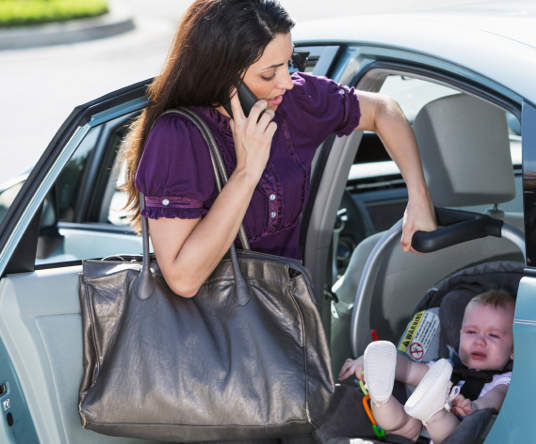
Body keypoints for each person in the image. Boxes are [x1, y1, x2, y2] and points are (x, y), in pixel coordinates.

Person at [121, 0, 436, 297]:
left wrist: (418, 199)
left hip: (284, 317)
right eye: (269, 73)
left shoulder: (294, 102)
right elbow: (183, 279)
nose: (286, 81)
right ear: (221, 75)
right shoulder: (177, 139)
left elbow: (384, 110)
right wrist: (246, 173)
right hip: (212, 339)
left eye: (289, 62)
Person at [338, 289, 515, 443]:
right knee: (402, 423)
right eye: (471, 332)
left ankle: (433, 412)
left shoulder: (506, 381)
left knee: (451, 428)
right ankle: (381, 398)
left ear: (515, 350)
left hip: (461, 438)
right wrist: (372, 363)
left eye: (493, 335)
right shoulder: (446, 367)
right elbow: (409, 369)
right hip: (415, 433)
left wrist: (474, 408)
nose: (479, 341)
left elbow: (495, 400)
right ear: (460, 335)